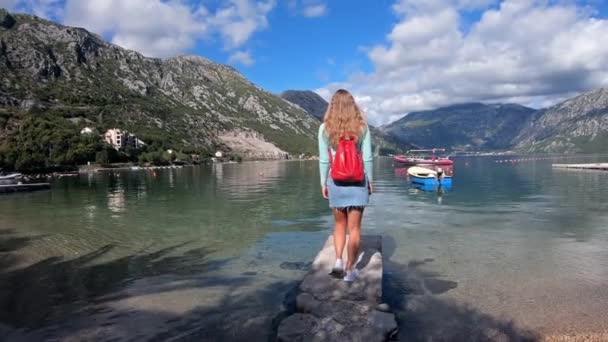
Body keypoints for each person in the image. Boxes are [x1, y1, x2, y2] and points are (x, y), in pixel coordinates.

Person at [318, 89, 373, 282]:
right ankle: (350, 271)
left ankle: (339, 261)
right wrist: (370, 181)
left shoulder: (325, 128)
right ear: (353, 104)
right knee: (355, 228)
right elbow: (366, 158)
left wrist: (323, 182)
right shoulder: (362, 127)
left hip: (336, 181)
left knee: (339, 224)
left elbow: (324, 160)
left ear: (332, 106)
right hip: (358, 181)